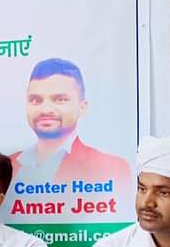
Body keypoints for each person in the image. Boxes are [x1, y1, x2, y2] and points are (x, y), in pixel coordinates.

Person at [9, 58, 131, 187]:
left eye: (60, 99)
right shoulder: (7, 166)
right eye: (35, 100)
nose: (45, 109)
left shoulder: (111, 168)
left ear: (82, 107)